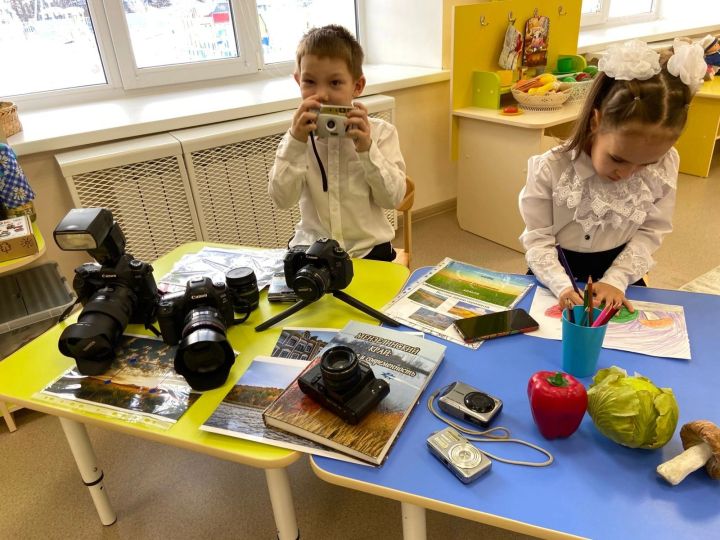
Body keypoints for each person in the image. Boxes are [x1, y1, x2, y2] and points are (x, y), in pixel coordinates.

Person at [519, 39, 707, 311]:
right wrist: (561, 285)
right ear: (596, 122)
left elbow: (652, 230)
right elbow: (538, 241)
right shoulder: (550, 168)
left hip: (620, 276)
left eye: (647, 163)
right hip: (555, 276)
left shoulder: (665, 164)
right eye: (618, 158)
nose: (628, 173)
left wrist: (617, 280)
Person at [268, 24, 406, 262]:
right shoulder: (295, 139)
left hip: (368, 249)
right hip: (313, 248)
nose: (321, 94)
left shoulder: (382, 133)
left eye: (335, 83)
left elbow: (392, 200)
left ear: (357, 86)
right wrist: (295, 143)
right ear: (297, 80)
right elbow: (282, 199)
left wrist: (367, 148)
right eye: (309, 82)